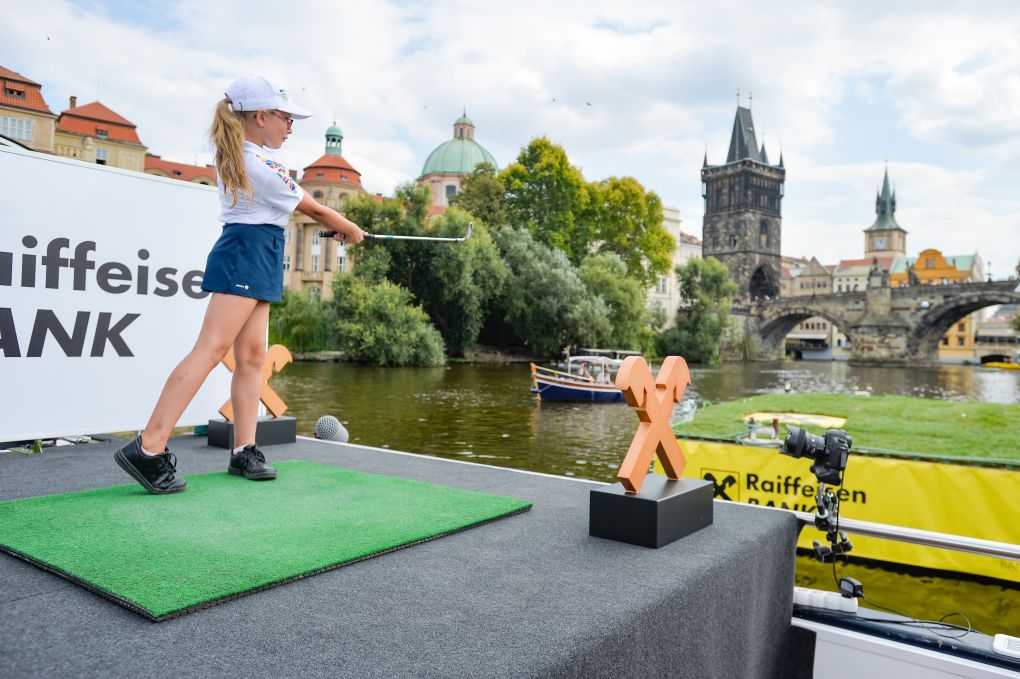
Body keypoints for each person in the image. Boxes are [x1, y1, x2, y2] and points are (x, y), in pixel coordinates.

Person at [115, 75, 365, 494]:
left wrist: (339, 225)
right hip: (244, 253)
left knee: (252, 357)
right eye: (285, 118)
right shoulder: (255, 163)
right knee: (210, 350)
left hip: (262, 252)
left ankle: (244, 450)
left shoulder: (254, 158)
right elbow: (316, 209)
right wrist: (349, 228)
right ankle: (149, 446)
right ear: (260, 116)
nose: (290, 126)